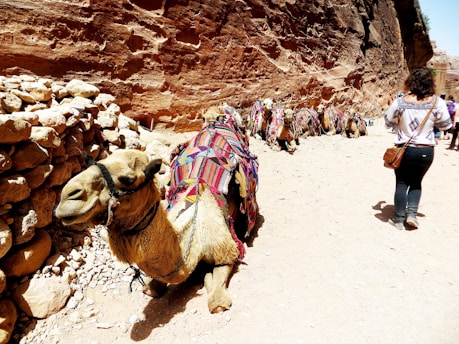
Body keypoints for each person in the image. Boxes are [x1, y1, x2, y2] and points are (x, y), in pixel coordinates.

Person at [384, 67, 452, 230]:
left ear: (411, 82)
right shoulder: (437, 102)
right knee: (416, 183)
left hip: (404, 149)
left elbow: (387, 122)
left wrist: (400, 123)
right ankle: (412, 215)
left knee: (401, 183)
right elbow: (446, 125)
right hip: (426, 150)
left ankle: (399, 219)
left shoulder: (401, 101)